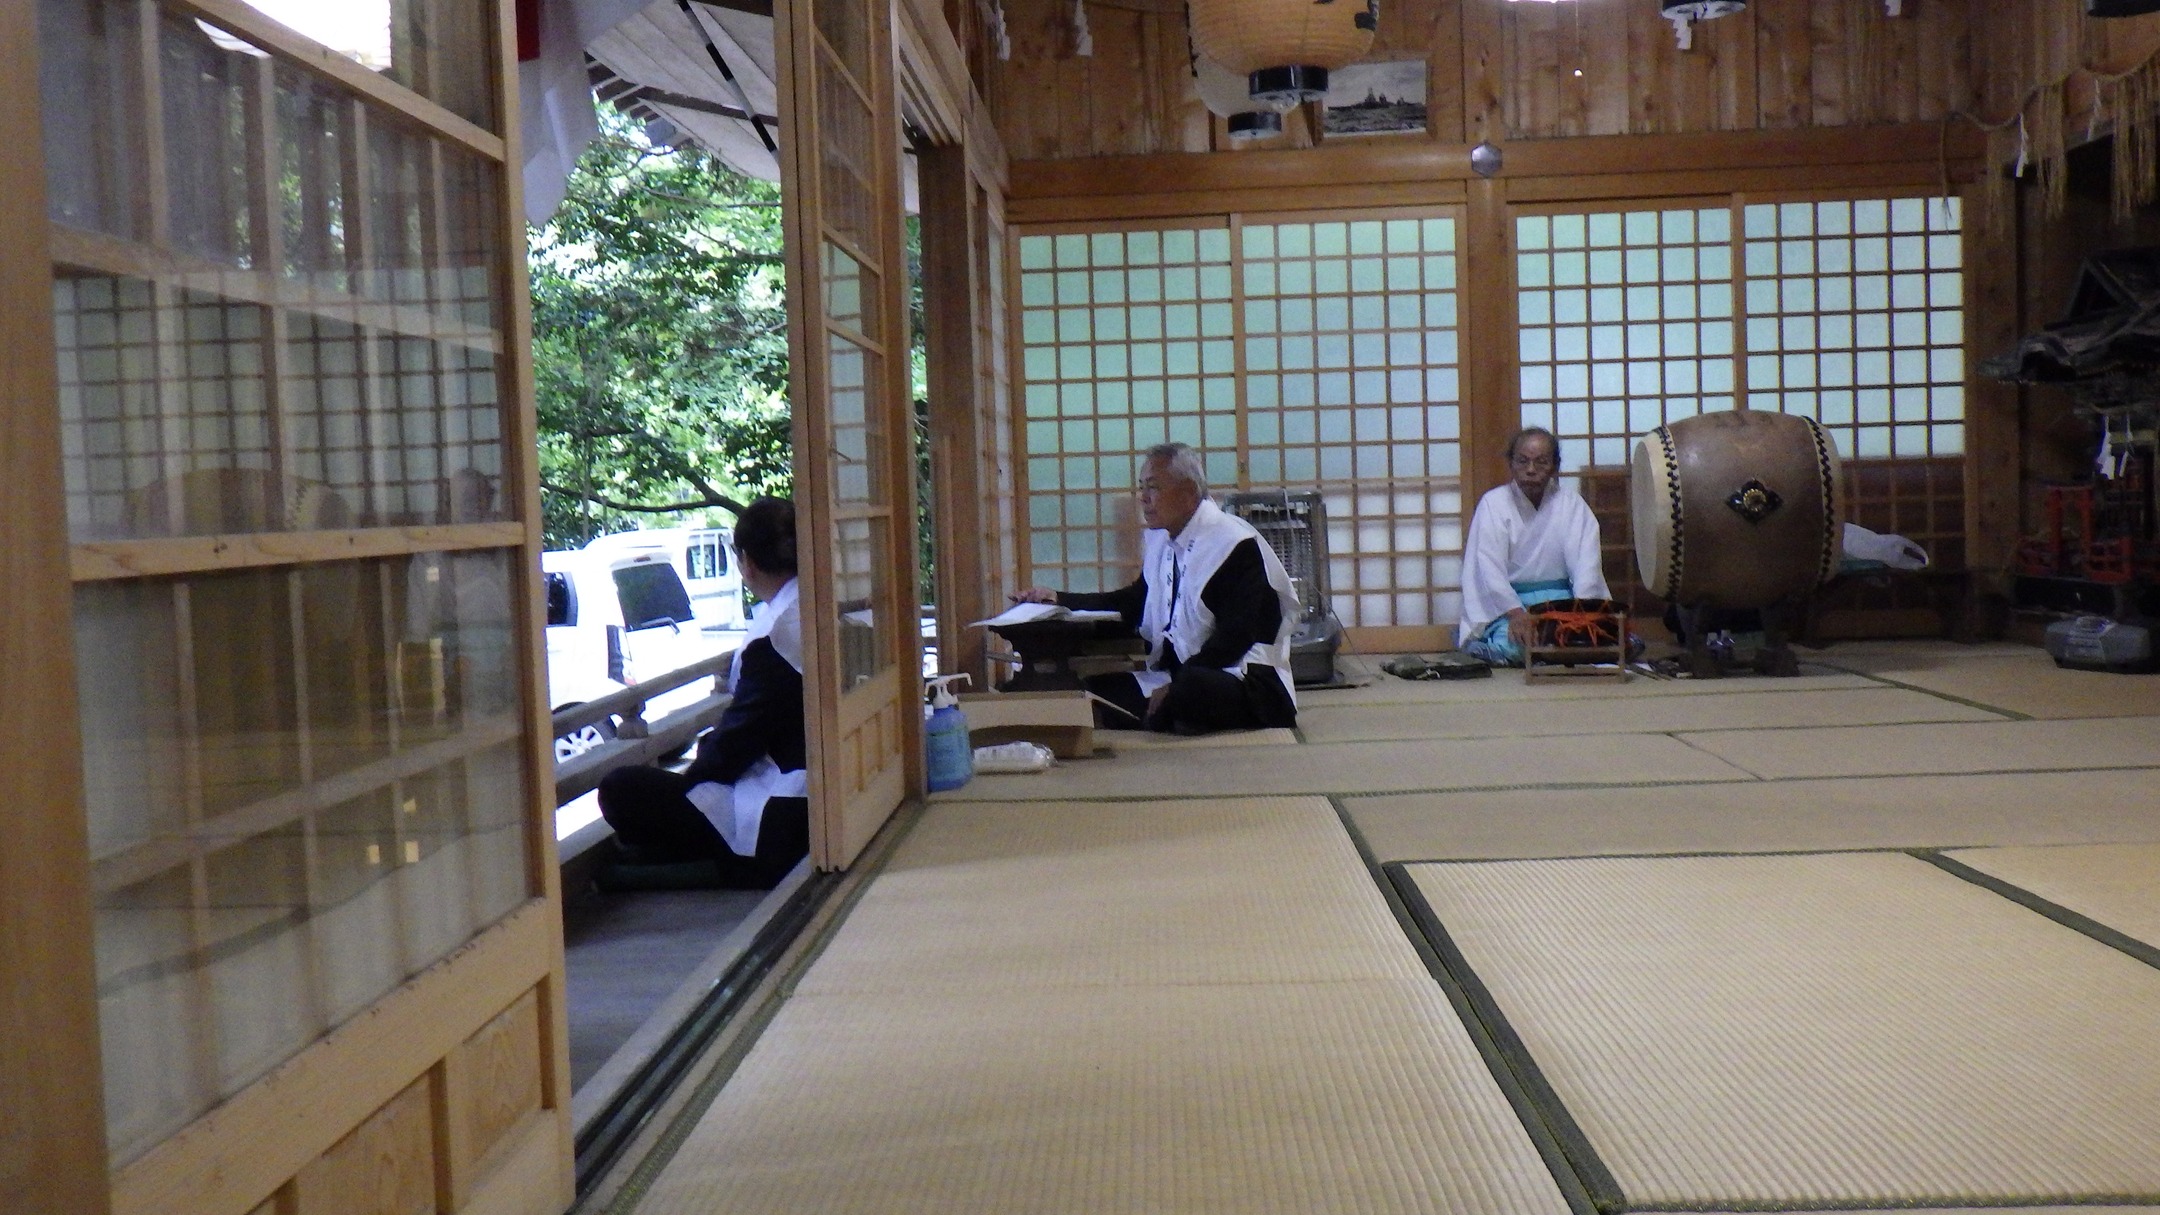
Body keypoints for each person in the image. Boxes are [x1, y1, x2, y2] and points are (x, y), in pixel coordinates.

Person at [594, 497, 809, 890]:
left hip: (786, 811)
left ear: (747, 561)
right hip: (831, 785)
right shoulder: (818, 603)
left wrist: (695, 777)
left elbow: (738, 744)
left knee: (621, 788)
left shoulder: (775, 635)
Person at [1015, 442, 1302, 735]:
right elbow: (1134, 604)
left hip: (1245, 681)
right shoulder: (1162, 541)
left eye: (1153, 487)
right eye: (1142, 488)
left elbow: (1235, 639)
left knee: (1189, 690)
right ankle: (1165, 715)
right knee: (1093, 691)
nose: (1143, 498)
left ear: (1189, 493)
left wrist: (1177, 684)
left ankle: (1167, 712)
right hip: (1178, 674)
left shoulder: (1233, 544)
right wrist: (1060, 600)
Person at [1458, 427, 1612, 667]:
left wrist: (1580, 616)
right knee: (1521, 644)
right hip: (1510, 606)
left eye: (1541, 462)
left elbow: (1587, 566)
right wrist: (1516, 614)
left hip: (1564, 604)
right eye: (1522, 461)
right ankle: (1490, 645)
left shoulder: (1571, 505)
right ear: (1511, 463)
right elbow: (1489, 568)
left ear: (1555, 466)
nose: (1531, 470)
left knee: (1591, 639)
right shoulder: (1494, 504)